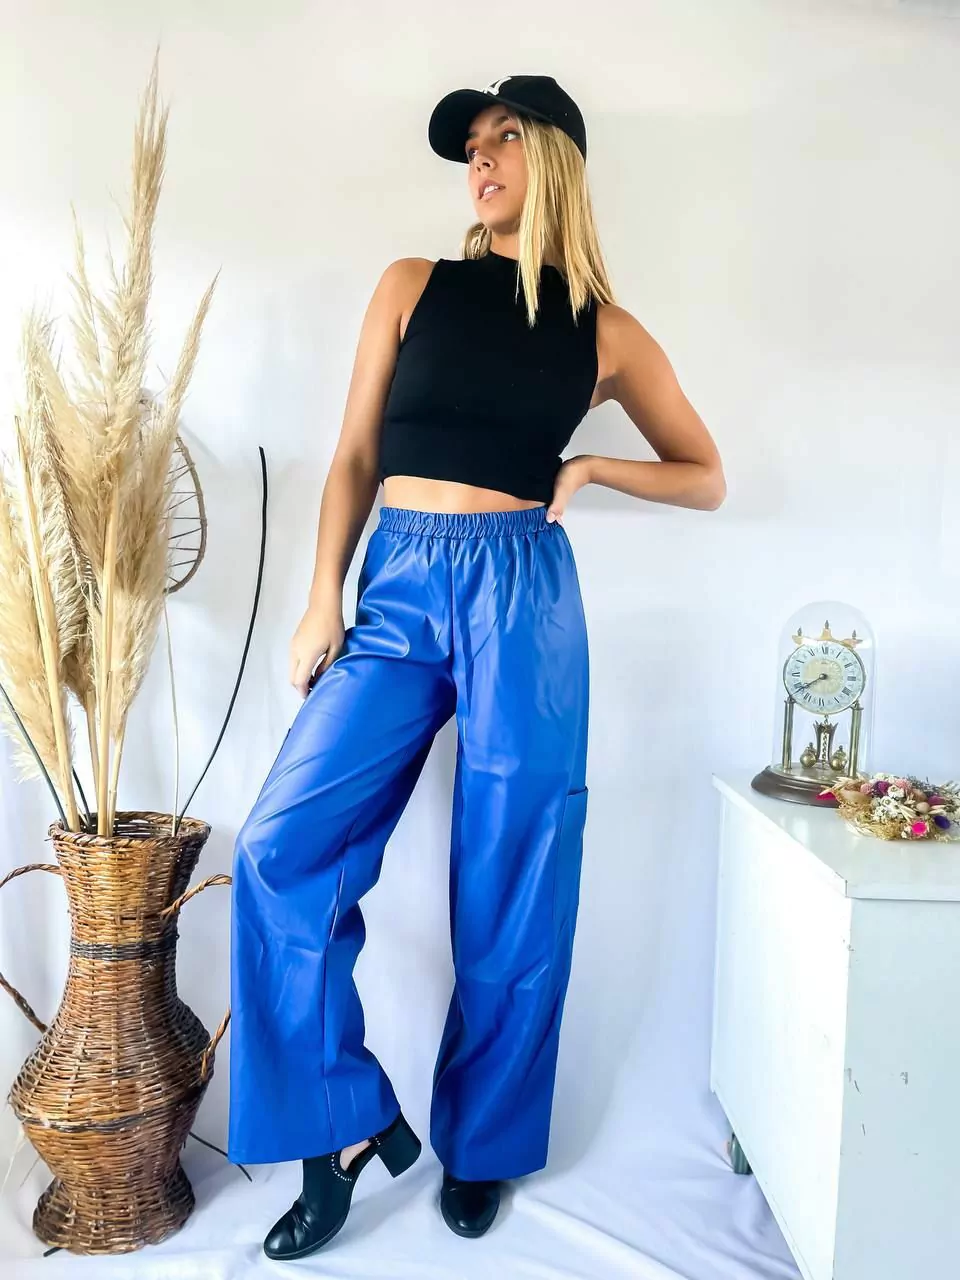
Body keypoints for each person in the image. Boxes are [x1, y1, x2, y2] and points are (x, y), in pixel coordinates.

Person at [226, 74, 726, 1262]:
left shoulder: (607, 332)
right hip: (398, 585)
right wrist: (321, 596)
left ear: (556, 160)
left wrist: (592, 470)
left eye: (505, 138)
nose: (482, 159)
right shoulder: (414, 286)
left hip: (524, 597)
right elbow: (354, 453)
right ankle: (344, 1124)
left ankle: (484, 1145)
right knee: (279, 848)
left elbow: (705, 472)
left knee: (517, 872)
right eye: (472, 146)